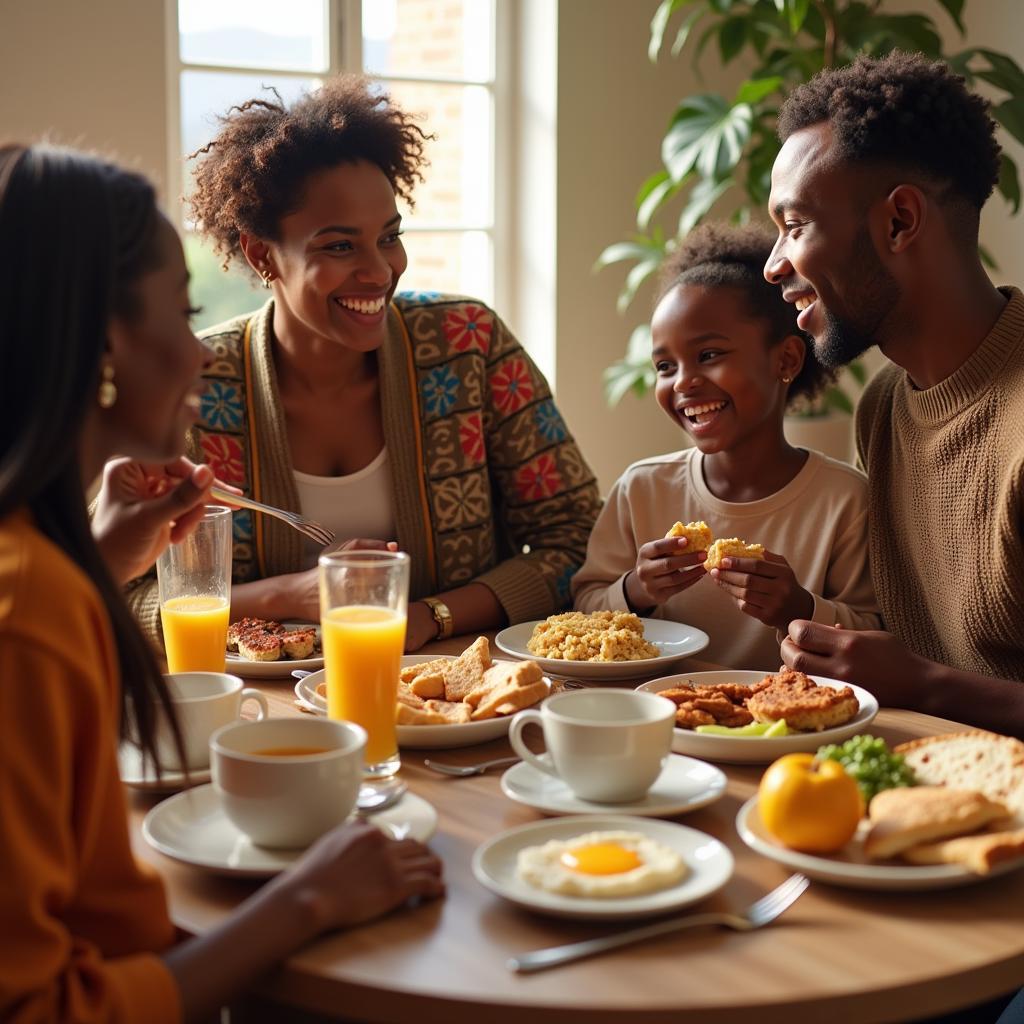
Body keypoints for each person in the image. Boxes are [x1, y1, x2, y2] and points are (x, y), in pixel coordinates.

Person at [0, 143, 443, 1024]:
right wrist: (306, 900)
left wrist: (103, 566)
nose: (201, 356)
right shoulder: (28, 614)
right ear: (106, 345)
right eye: (183, 309)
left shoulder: (46, 574)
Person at [124, 75, 600, 652]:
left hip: (453, 700)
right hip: (256, 716)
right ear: (262, 254)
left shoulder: (468, 345)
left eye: (389, 237)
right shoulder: (196, 385)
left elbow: (577, 537)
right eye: (340, 246)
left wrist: (432, 615)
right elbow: (117, 593)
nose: (379, 271)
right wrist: (285, 595)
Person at [763, 51, 1024, 737]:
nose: (773, 265)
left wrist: (923, 683)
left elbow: (924, 675)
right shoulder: (882, 407)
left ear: (900, 221)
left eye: (794, 227)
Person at [572, 223, 880, 670]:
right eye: (664, 365)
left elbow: (872, 631)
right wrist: (636, 590)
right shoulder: (641, 489)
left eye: (709, 355)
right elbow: (584, 605)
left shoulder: (844, 501)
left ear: (786, 360)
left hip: (786, 716)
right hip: (657, 709)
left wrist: (798, 606)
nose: (683, 382)